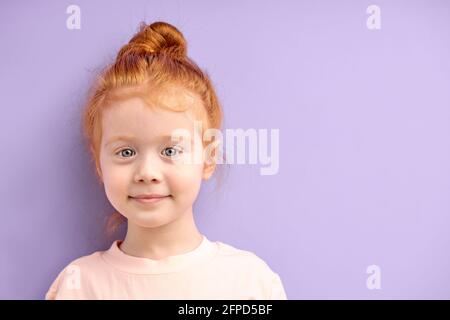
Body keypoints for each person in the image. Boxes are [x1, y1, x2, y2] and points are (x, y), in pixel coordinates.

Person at [45, 21, 287, 300]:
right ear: (99, 163)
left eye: (170, 151)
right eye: (126, 152)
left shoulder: (249, 283)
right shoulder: (80, 286)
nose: (147, 173)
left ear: (208, 158)